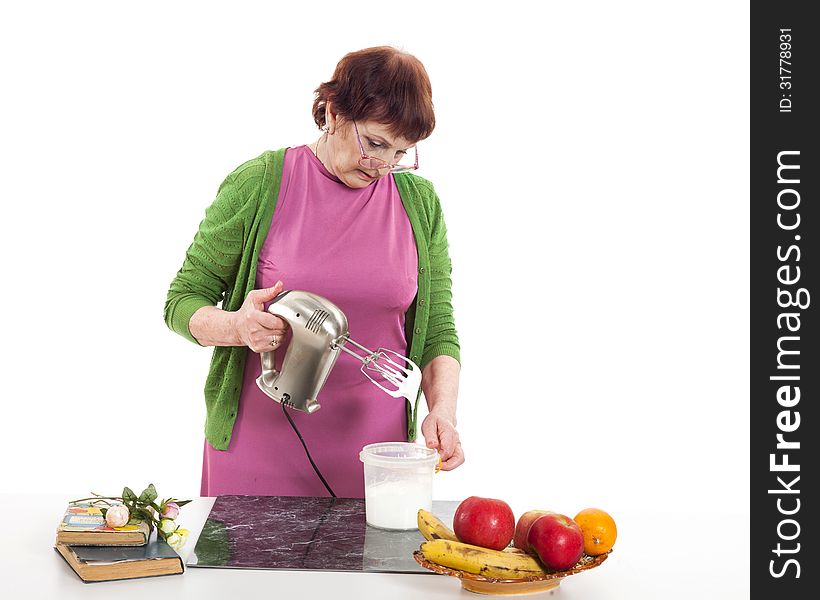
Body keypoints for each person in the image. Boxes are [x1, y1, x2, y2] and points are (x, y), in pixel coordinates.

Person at [164, 46, 463, 498]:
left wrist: (443, 410)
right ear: (333, 111)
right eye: (376, 143)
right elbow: (182, 300)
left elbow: (438, 326)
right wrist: (235, 326)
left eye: (402, 152)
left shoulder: (419, 203)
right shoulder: (261, 182)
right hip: (258, 445)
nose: (384, 165)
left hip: (377, 457)